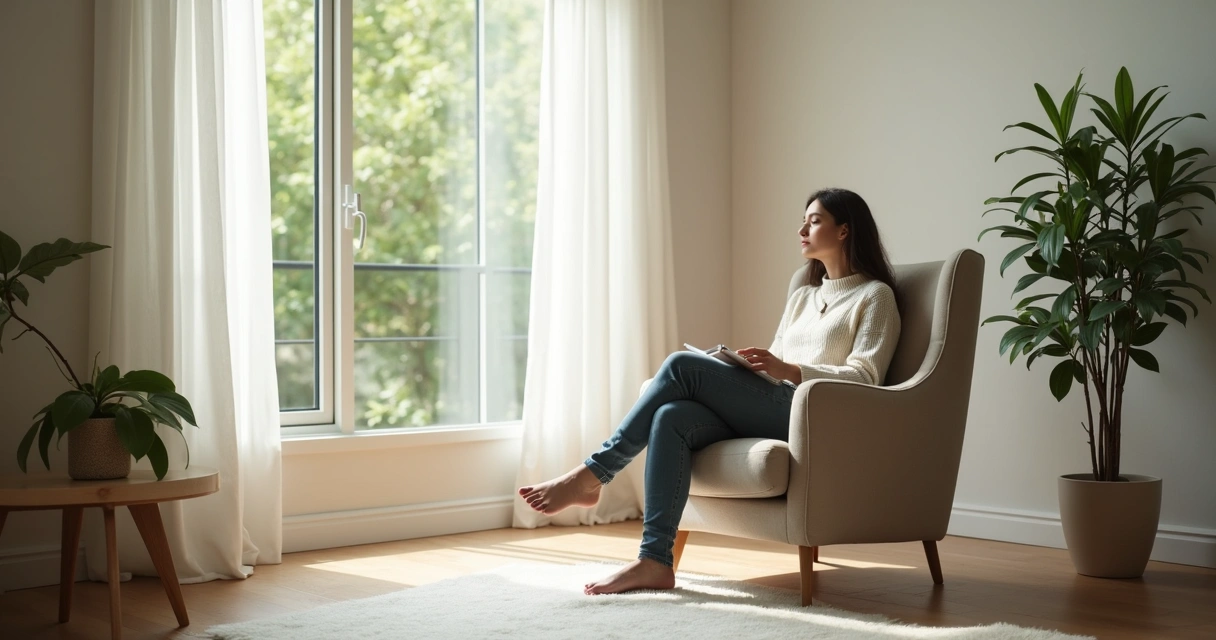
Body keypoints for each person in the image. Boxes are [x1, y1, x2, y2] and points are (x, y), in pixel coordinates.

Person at [517, 187, 902, 595]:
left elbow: (866, 377)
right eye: (804, 220)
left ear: (844, 230)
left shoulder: (875, 296)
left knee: (680, 366)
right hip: (776, 403)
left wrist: (790, 370)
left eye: (815, 221)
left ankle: (593, 474)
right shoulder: (803, 297)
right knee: (672, 417)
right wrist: (745, 368)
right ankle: (654, 560)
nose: (802, 229)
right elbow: (777, 361)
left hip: (813, 416)